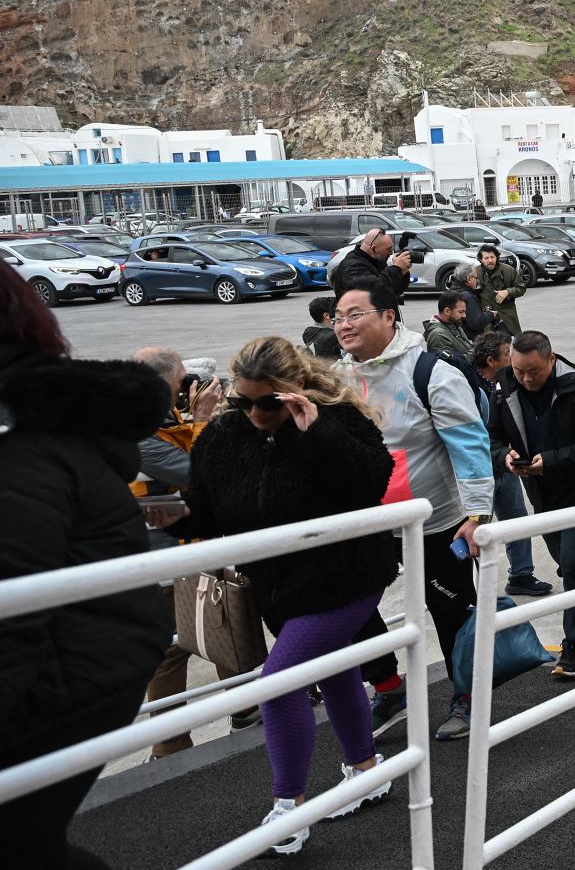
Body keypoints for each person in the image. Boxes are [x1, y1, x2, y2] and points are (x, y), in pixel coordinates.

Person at [152, 336, 398, 854]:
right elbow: (207, 510)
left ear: (297, 388)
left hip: (345, 576)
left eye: (268, 403)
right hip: (277, 586)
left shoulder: (336, 421)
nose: (255, 414)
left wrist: (317, 435)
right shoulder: (223, 433)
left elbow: (370, 486)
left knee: (280, 681)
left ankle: (289, 809)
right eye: (243, 402)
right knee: (333, 671)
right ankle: (368, 771)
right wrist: (176, 515)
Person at [0, 268, 168, 870]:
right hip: (92, 662)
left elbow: (11, 613)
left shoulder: (27, 446)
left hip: (72, 673)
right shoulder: (47, 431)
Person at [333, 285, 494, 742]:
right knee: (348, 602)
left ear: (388, 316)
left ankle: (468, 695)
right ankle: (388, 686)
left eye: (354, 313)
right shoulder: (340, 378)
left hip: (437, 520)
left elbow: (469, 442)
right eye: (338, 316)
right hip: (370, 522)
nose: (343, 323)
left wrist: (478, 512)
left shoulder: (431, 371)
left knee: (451, 612)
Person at [490, 331, 575, 678]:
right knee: (570, 565)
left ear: (552, 359)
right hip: (542, 494)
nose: (526, 379)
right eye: (518, 371)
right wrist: (505, 457)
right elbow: (493, 435)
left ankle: (574, 648)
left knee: (573, 561)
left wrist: (556, 459)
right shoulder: (504, 387)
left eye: (534, 371)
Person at [130, 348, 226, 757]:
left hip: (187, 551)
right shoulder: (136, 435)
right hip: (164, 562)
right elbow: (200, 474)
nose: (188, 389)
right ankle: (170, 747)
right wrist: (203, 421)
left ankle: (248, 709)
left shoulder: (152, 419)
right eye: (180, 383)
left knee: (223, 629)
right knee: (172, 651)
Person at [470, 330, 551, 600]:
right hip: (479, 474)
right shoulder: (472, 388)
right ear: (492, 361)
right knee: (476, 530)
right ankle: (473, 589)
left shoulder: (510, 385)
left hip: (506, 469)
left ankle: (521, 575)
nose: (514, 360)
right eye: (508, 355)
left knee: (516, 521)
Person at [329, 227, 412, 300]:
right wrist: (396, 268)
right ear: (373, 249)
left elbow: (393, 290)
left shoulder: (375, 261)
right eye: (388, 249)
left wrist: (402, 271)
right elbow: (375, 289)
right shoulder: (352, 267)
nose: (391, 253)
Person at [477, 244, 526, 335]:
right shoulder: (475, 273)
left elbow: (521, 288)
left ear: (497, 257)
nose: (490, 260)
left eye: (492, 257)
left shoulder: (509, 270)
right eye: (486, 258)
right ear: (481, 259)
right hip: (485, 317)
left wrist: (508, 292)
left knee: (506, 344)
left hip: (506, 316)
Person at [424, 291, 477, 359]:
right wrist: (478, 351)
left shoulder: (455, 324)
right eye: (461, 312)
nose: (464, 315)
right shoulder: (438, 336)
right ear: (447, 311)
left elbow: (468, 346)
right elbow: (453, 364)